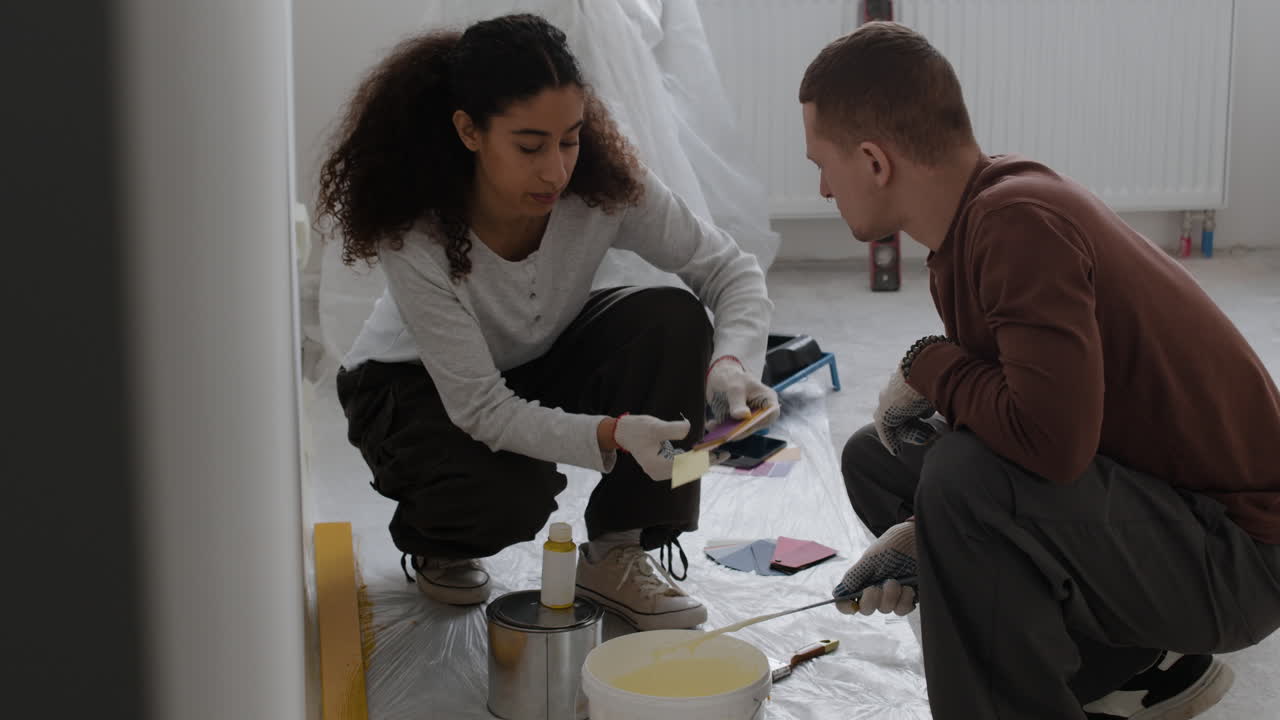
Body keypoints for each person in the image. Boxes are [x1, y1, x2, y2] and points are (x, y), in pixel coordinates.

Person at [800, 21, 1280, 720]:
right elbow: (1024, 415)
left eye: (822, 164)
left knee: (963, 481)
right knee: (879, 458)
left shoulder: (1016, 224)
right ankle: (1118, 670)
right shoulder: (976, 226)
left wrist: (931, 365)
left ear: (874, 161)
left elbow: (1049, 444)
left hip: (1237, 557)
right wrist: (926, 532)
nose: (820, 189)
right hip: (1166, 512)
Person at [317, 13, 776, 631]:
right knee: (511, 497)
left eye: (571, 138)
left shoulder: (603, 188)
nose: (557, 170)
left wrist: (733, 363)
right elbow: (481, 407)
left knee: (672, 318)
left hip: (531, 358)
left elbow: (728, 269)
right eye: (530, 146)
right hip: (412, 388)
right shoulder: (419, 231)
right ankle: (438, 539)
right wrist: (611, 433)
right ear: (469, 130)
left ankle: (619, 550)